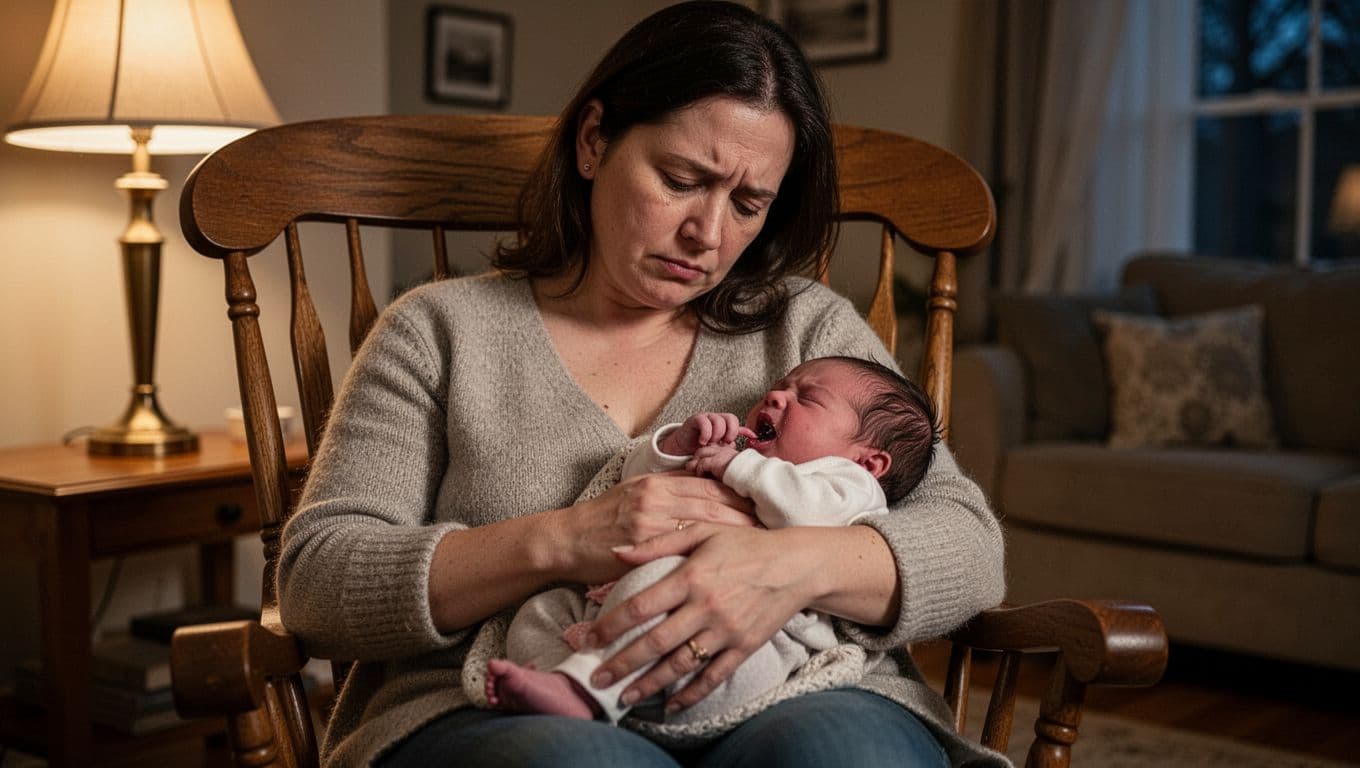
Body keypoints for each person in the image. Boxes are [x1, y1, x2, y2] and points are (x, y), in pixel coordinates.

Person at [276, 2, 1007, 767]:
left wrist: (777, 567)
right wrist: (566, 540)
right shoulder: (439, 332)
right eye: (682, 179)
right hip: (494, 701)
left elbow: (968, 546)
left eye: (748, 204)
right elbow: (320, 581)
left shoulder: (807, 331)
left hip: (800, 687)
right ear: (594, 141)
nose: (709, 234)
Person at [485, 356, 942, 726]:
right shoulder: (743, 456)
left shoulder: (847, 485)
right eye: (781, 386)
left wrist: (737, 467)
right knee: (539, 613)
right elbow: (634, 493)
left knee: (665, 581)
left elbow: (805, 512)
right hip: (612, 609)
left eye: (808, 399)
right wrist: (677, 449)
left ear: (869, 461)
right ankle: (559, 677)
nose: (778, 395)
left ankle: (582, 688)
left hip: (740, 649)